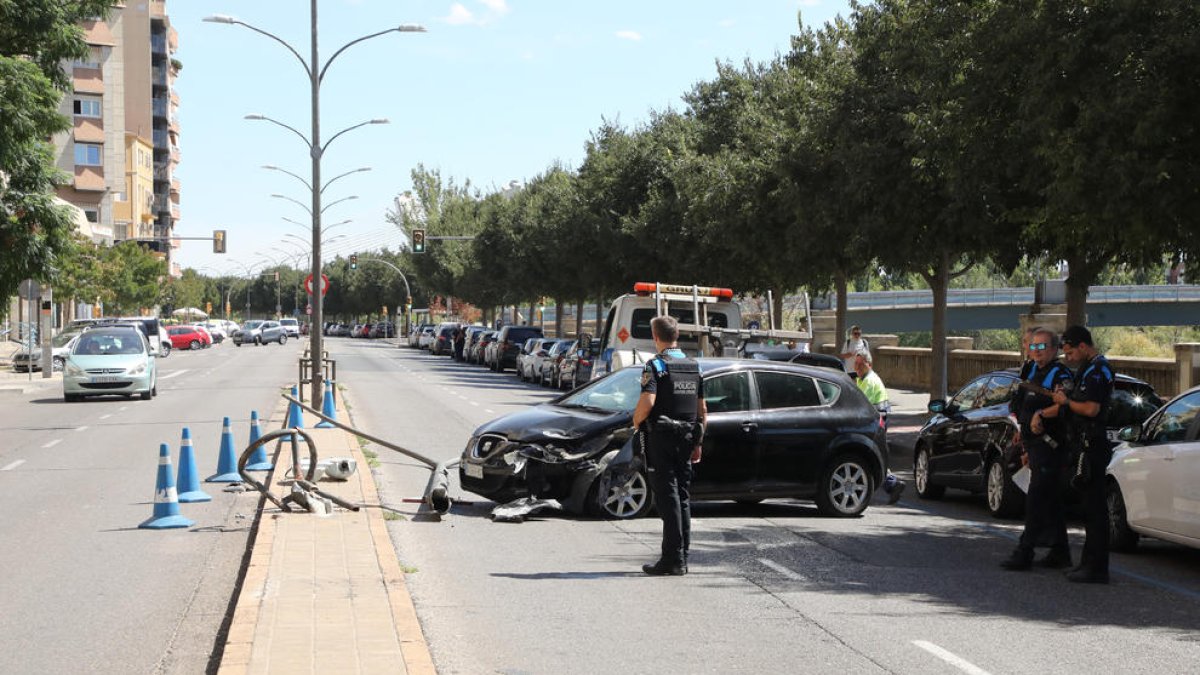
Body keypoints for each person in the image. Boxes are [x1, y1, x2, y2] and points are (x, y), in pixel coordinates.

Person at [632, 315, 707, 576]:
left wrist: (636, 420)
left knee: (668, 498)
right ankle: (682, 557)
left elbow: (648, 402)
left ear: (655, 336)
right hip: (687, 437)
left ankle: (672, 559)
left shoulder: (655, 365)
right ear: (676, 335)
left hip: (662, 438)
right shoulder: (694, 366)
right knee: (682, 497)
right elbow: (702, 409)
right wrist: (698, 441)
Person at [1000, 328, 1073, 571]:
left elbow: (1065, 406)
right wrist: (1023, 435)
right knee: (1050, 499)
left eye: (1042, 347)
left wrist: (1041, 414)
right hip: (1033, 444)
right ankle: (1060, 552)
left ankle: (1025, 551)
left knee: (1036, 499)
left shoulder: (1060, 374)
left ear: (1054, 349)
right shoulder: (1031, 370)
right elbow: (1022, 404)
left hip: (1051, 445)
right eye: (1033, 346)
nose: (1037, 351)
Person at [1049, 325, 1114, 584]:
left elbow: (1090, 409)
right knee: (1087, 508)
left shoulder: (1097, 370)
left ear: (1083, 346)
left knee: (1095, 509)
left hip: (1092, 445)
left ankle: (1096, 568)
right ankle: (1088, 563)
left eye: (1070, 353)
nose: (1068, 358)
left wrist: (1066, 402)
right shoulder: (1088, 368)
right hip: (1083, 443)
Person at [853, 352, 905, 505]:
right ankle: (890, 484)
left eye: (861, 364)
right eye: (856, 364)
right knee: (873, 455)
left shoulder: (869, 381)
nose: (857, 367)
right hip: (875, 421)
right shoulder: (863, 379)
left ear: (869, 364)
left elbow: (861, 405)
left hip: (875, 423)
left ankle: (891, 484)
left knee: (873, 455)